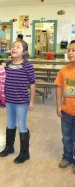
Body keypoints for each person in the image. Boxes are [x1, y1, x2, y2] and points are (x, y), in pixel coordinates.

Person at [0, 40, 35, 164]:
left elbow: (32, 84)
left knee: (21, 125)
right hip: (9, 100)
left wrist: (32, 101)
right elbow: (3, 81)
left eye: (17, 47)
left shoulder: (27, 65)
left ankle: (25, 153)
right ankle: (9, 147)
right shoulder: (8, 64)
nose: (14, 48)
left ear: (24, 52)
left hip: (22, 101)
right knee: (10, 124)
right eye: (13, 46)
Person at [54, 40, 75, 173]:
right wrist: (58, 105)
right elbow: (59, 86)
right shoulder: (64, 69)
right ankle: (67, 157)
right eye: (69, 50)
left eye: (73, 50)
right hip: (66, 111)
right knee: (66, 136)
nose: (70, 52)